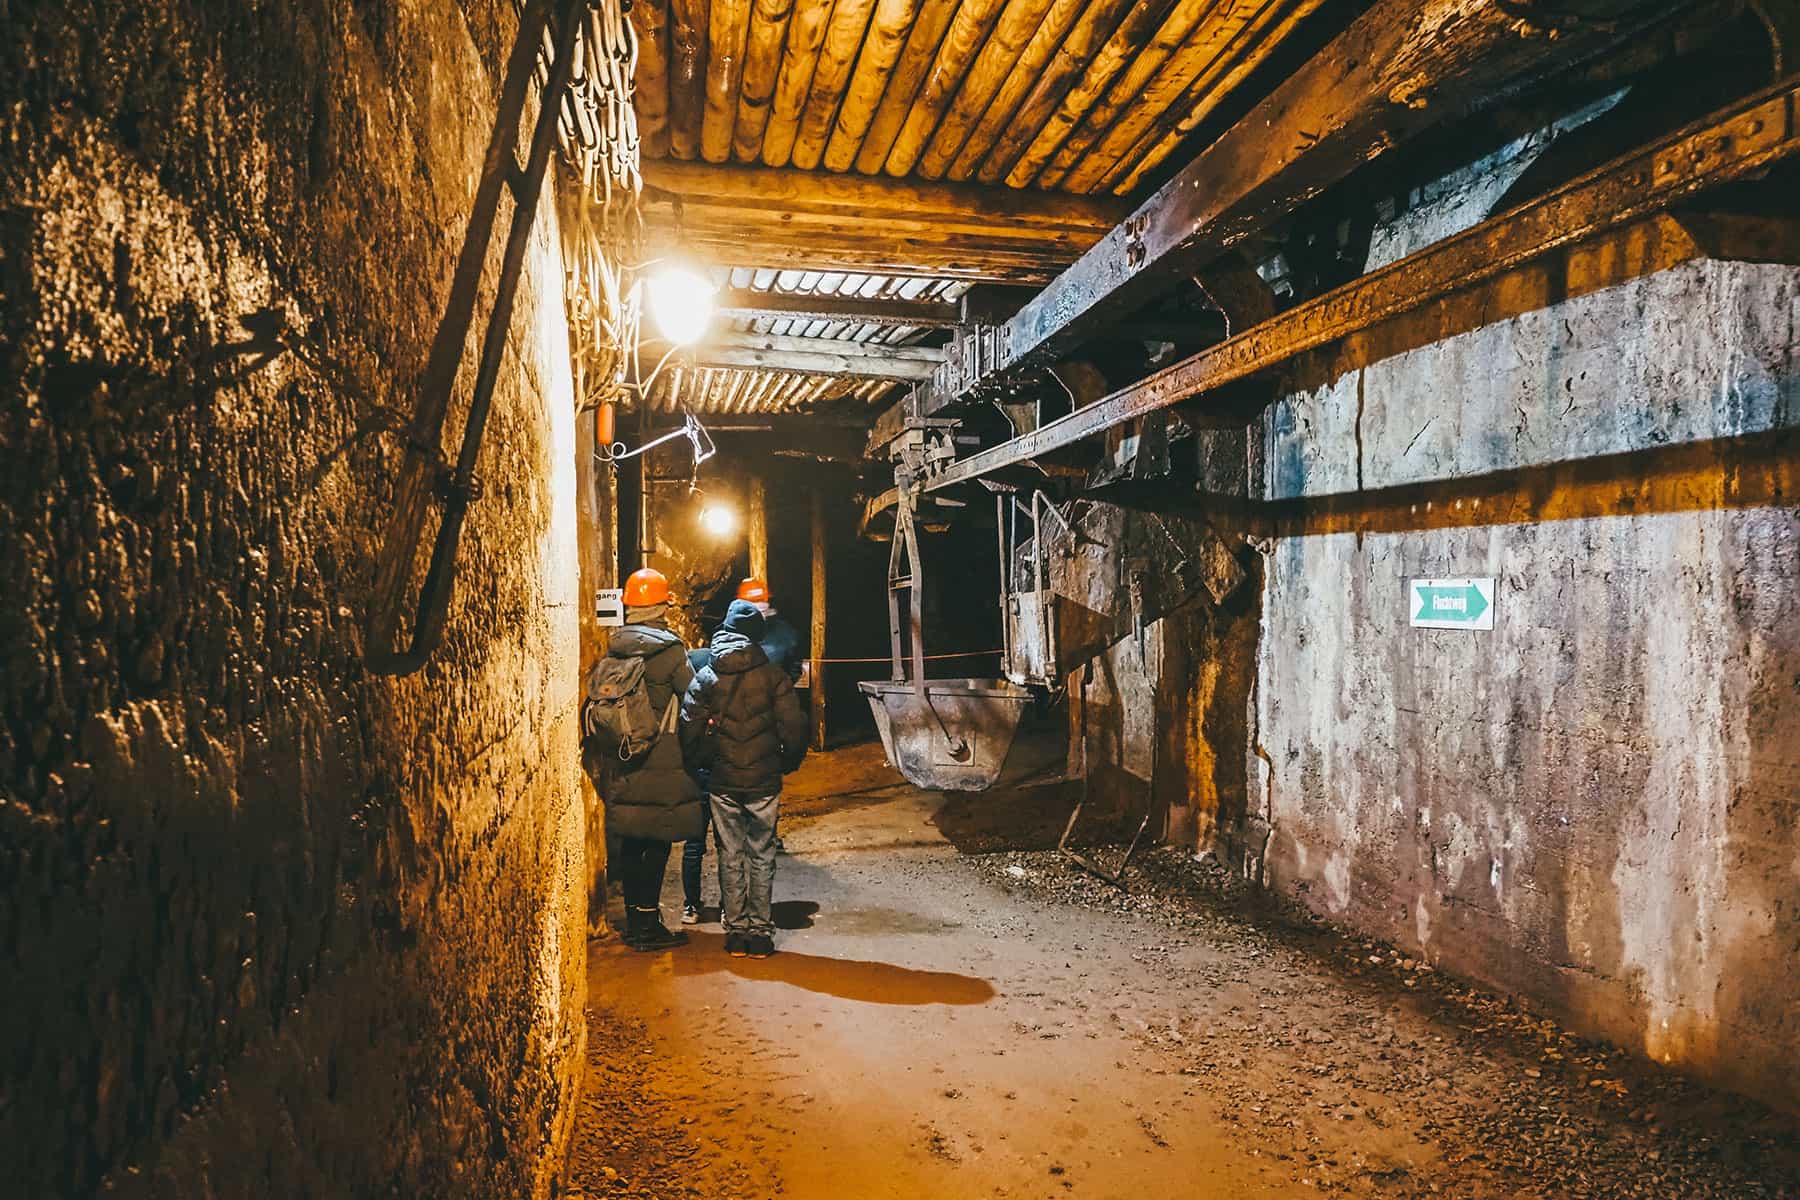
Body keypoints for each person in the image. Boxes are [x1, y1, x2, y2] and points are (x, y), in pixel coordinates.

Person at [582, 567, 706, 951]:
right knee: (658, 843)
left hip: (625, 757)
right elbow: (694, 695)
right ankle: (649, 927)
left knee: (634, 843)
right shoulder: (670, 651)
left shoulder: (616, 646)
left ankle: (636, 921)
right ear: (661, 606)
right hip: (662, 759)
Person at [680, 599, 808, 958]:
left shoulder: (706, 675)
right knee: (762, 854)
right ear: (755, 636)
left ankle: (736, 932)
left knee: (730, 853)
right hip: (764, 780)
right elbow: (794, 728)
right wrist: (786, 763)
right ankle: (760, 933)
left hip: (722, 780)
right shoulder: (772, 676)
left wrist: (702, 763)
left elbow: (687, 728)